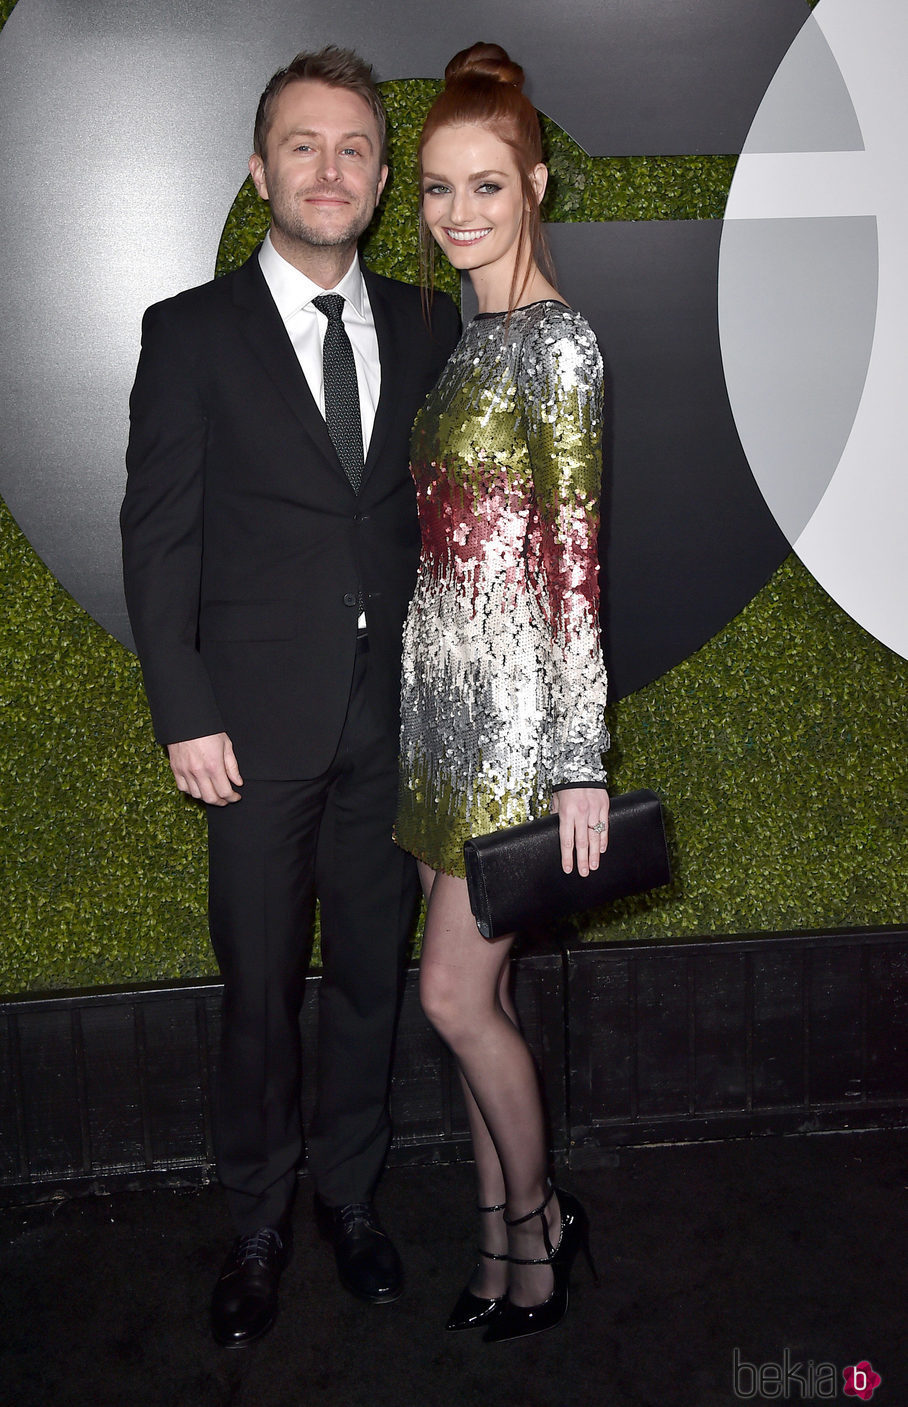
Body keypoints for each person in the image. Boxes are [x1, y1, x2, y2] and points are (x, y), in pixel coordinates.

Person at [120, 47, 460, 1348]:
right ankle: (258, 1222)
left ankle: (350, 1199)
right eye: (304, 145)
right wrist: (183, 709)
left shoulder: (433, 327)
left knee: (372, 981)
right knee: (259, 986)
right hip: (249, 737)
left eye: (356, 149)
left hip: (392, 732)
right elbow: (160, 540)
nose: (332, 168)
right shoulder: (188, 333)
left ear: (379, 183)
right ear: (262, 171)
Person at [395, 43, 610, 1343]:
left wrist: (579, 760)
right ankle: (504, 1263)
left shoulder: (560, 346)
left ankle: (542, 1225)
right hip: (435, 722)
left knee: (453, 1000)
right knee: (484, 1004)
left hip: (514, 733)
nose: (458, 214)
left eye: (485, 185)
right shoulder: (477, 342)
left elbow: (575, 563)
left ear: (534, 182)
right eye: (436, 189)